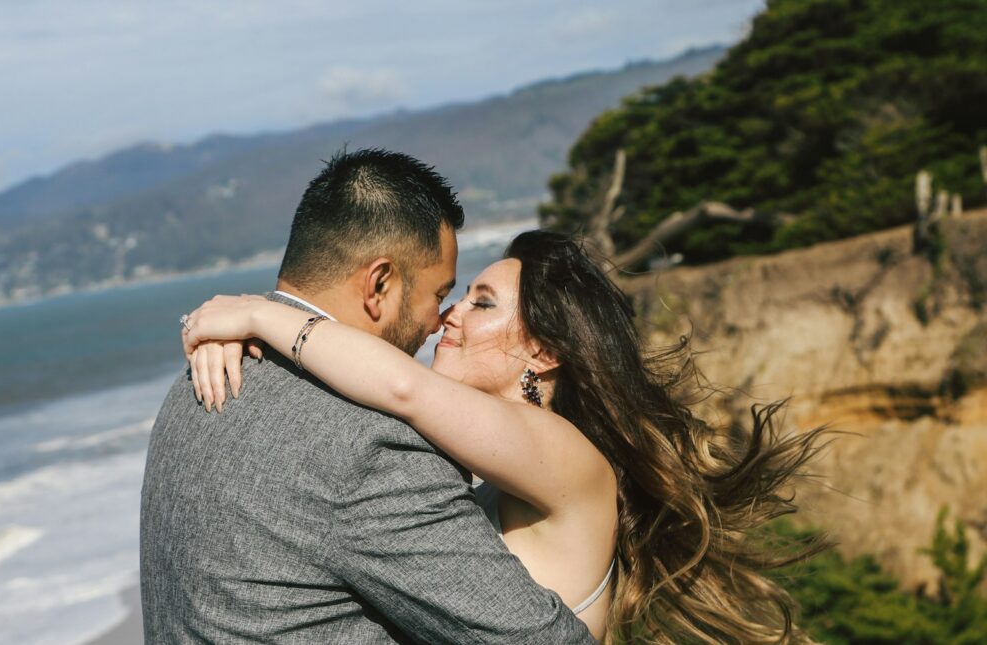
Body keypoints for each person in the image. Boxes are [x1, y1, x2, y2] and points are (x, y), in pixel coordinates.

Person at [183, 229, 830, 643]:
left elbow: (400, 388)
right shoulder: (506, 463)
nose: (450, 315)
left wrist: (258, 314)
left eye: (482, 303)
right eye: (461, 295)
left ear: (543, 350)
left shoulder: (562, 449)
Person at [140, 148, 596, 644]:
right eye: (440, 295)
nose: (440, 321)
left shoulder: (192, 383)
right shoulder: (370, 445)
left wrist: (258, 314)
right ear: (379, 284)